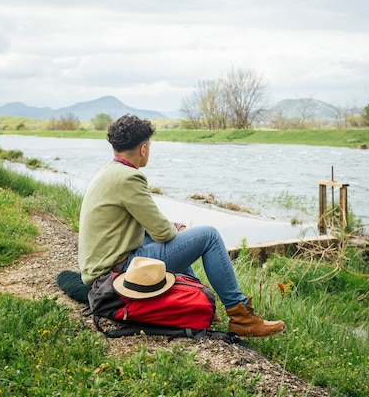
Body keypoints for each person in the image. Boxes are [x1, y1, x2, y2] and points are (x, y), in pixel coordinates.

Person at [78, 114, 286, 338]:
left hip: (100, 266)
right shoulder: (129, 178)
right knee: (208, 236)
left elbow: (148, 225)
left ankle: (197, 295)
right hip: (117, 270)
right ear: (143, 149)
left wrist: (174, 230)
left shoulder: (108, 172)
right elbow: (162, 231)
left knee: (167, 238)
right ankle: (241, 317)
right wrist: (178, 230)